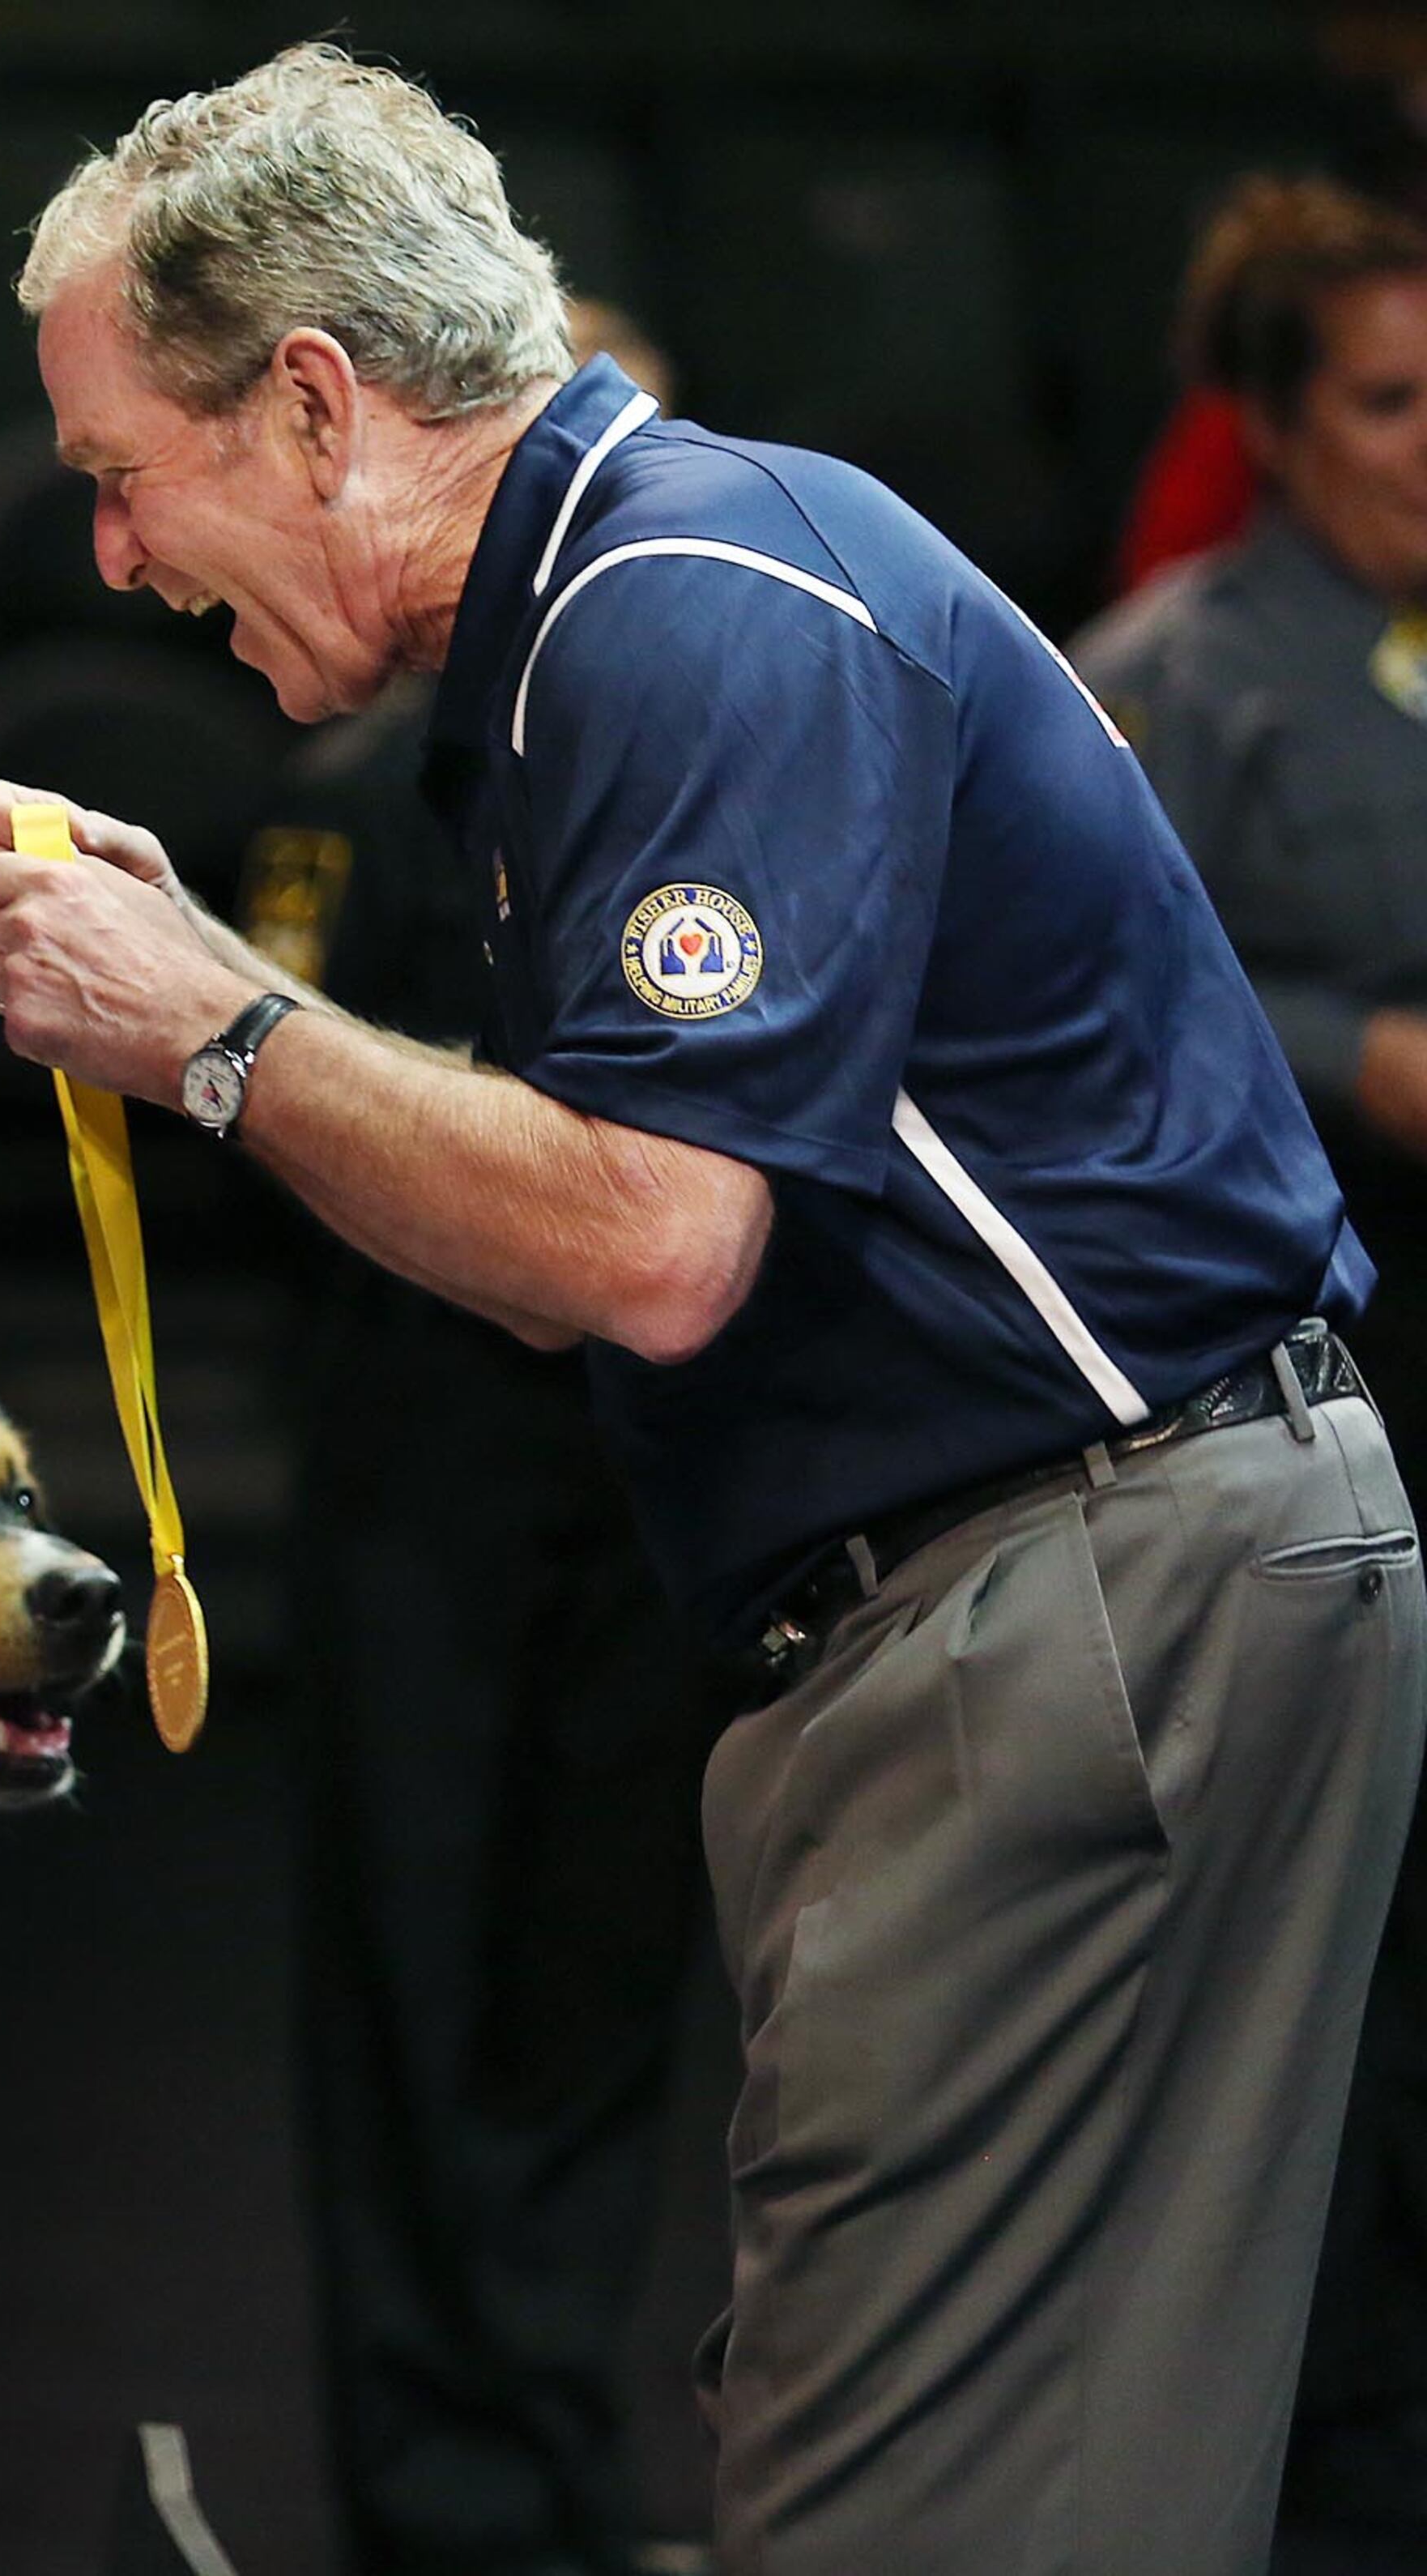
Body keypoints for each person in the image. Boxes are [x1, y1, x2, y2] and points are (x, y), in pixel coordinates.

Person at [0, 45, 1423, 2576]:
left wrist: (217, 1024)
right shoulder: (629, 600)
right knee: (1072, 2502)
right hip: (1105, 1580)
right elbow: (581, 1265)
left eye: (121, 467)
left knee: (896, 2506)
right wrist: (231, 1023)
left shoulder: (676, 599)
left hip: (1078, 1598)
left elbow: (650, 1241)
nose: (110, 554)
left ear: (312, 402)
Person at [253, 298, 729, 2576]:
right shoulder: (360, 788)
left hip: (657, 1443)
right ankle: (437, 2503)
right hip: (429, 1441)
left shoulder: (677, 745)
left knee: (600, 1986)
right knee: (421, 1986)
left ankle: (551, 2467)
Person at [1072, 172, 1427, 2538]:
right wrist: (1351, 1049)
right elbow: (1083, 1016)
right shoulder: (1174, 671)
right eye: (1397, 401)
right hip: (1328, 1368)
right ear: (1281, 428)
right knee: (1352, 1969)